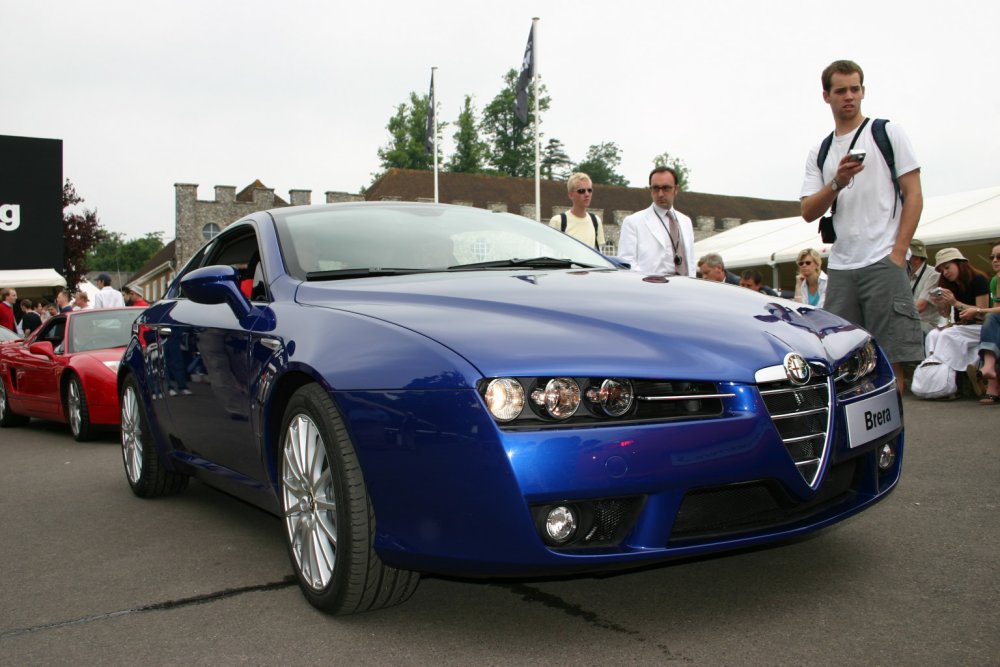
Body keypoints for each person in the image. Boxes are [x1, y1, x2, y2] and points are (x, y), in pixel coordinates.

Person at [799, 60, 924, 393]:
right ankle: (856, 444)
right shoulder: (820, 152)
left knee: (890, 366)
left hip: (884, 259)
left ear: (863, 91)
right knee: (842, 367)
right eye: (841, 90)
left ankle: (890, 443)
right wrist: (837, 182)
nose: (849, 96)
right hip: (841, 267)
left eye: (855, 89)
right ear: (826, 96)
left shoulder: (886, 132)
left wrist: (898, 253)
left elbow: (914, 195)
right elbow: (808, 211)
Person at [924, 248, 990, 397]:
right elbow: (946, 314)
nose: (945, 272)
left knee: (948, 335)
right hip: (962, 326)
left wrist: (955, 302)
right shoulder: (950, 284)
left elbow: (983, 311)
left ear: (959, 264)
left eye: (947, 267)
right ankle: (935, 378)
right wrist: (941, 303)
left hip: (980, 326)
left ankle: (952, 382)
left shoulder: (978, 279)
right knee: (933, 335)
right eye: (942, 270)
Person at [618, 166, 696, 276]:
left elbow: (691, 262)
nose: (660, 194)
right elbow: (626, 262)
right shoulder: (633, 222)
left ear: (676, 189)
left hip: (684, 287)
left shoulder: (686, 222)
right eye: (655, 188)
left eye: (666, 188)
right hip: (651, 287)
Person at [967, 240, 1000, 404]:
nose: (995, 260)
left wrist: (979, 310)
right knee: (993, 325)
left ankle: (989, 375)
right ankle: (989, 369)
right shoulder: (995, 281)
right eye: (992, 257)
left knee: (990, 318)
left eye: (999, 257)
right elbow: (996, 308)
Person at [548, 172, 605, 250]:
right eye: (581, 191)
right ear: (571, 195)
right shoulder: (558, 221)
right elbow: (550, 252)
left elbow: (599, 252)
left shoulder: (595, 221)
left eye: (589, 190)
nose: (587, 194)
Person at [908, 239, 946, 335]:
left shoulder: (934, 274)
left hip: (928, 326)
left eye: (905, 256)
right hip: (912, 322)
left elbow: (920, 306)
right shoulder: (905, 274)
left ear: (916, 258)